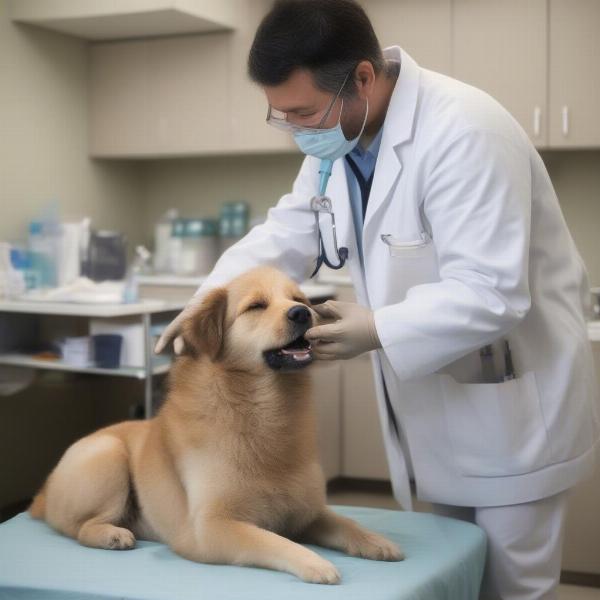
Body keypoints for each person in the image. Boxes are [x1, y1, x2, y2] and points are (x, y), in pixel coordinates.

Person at [155, 1, 599, 597]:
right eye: (279, 115)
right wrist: (203, 304)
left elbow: (492, 291)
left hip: (510, 415)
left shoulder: (465, 131)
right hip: (433, 410)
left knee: (510, 589)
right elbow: (287, 235)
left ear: (362, 78)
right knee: (454, 577)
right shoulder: (338, 146)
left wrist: (379, 327)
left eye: (304, 111)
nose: (294, 128)